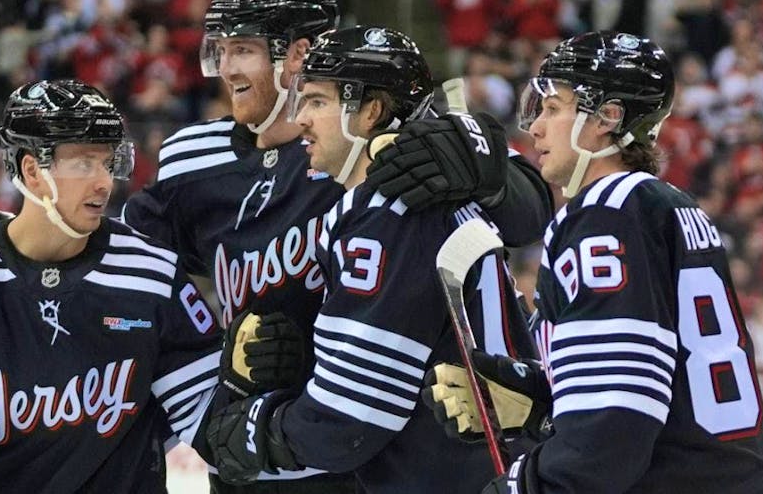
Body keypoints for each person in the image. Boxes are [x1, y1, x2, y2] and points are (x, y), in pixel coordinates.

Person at [0, 0, 553, 494]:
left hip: (369, 447)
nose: (224, 67)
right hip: (262, 444)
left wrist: (484, 162)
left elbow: (524, 216)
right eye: (217, 49)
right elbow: (120, 261)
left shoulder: (366, 144)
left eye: (242, 48)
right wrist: (5, 242)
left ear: (298, 56)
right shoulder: (193, 158)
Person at [423, 31, 763, 493]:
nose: (535, 127)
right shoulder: (666, 204)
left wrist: (533, 486)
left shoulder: (605, 214)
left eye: (553, 109)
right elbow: (657, 384)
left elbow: (616, 417)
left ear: (607, 118)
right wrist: (535, 399)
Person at [202, 25, 541, 493]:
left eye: (317, 101)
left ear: (372, 112)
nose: (300, 118)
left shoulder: (386, 211)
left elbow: (350, 419)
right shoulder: (439, 193)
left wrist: (258, 430)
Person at [0, 80, 228, 494]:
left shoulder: (152, 274)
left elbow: (214, 422)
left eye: (108, 163)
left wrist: (275, 415)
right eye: (84, 163)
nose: (104, 182)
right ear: (32, 171)